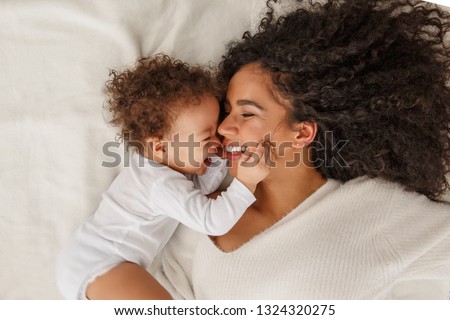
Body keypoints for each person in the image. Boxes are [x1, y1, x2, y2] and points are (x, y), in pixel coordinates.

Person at [147, 0, 450, 299]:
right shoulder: (200, 204)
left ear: (302, 131)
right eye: (227, 112)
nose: (224, 128)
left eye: (247, 113)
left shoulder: (372, 210)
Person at [56, 54, 269, 299]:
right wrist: (246, 182)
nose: (217, 141)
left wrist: (224, 155)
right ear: (159, 147)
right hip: (101, 262)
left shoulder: (170, 167)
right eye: (206, 137)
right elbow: (211, 219)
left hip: (93, 261)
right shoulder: (158, 183)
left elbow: (199, 189)